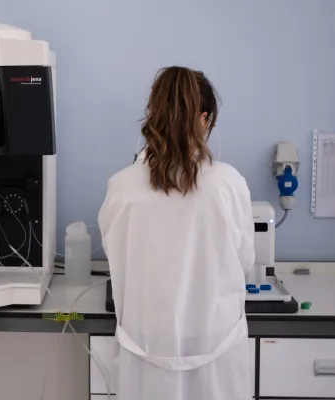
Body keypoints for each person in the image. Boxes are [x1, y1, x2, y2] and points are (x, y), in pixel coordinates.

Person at [98, 66, 255, 400]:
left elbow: (116, 258)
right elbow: (245, 262)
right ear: (203, 119)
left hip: (144, 360)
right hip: (215, 362)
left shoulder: (122, 186)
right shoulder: (229, 184)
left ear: (155, 116)